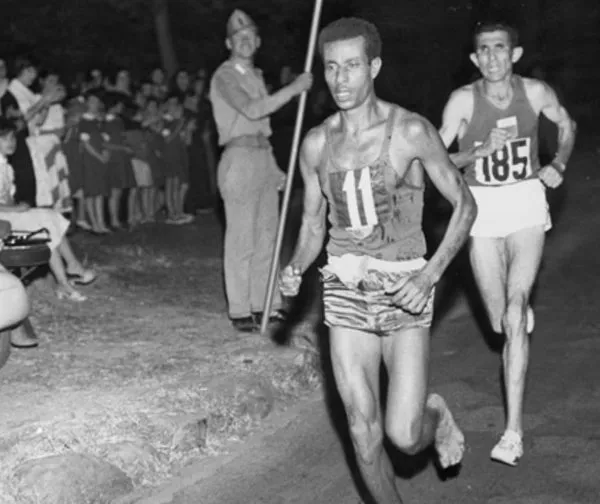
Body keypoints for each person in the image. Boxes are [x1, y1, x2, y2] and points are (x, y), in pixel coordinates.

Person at [280, 18, 476, 503]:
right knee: (361, 430)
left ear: (374, 67)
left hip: (405, 287)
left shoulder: (410, 130)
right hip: (345, 288)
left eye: (352, 66)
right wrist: (296, 267)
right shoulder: (317, 144)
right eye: (331, 67)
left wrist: (429, 276)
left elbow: (465, 205)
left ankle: (435, 416)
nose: (340, 78)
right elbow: (312, 226)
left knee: (404, 435)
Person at [438, 21, 576, 466]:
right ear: (474, 58)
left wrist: (559, 162)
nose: (492, 57)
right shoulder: (462, 100)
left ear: (514, 55)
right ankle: (514, 314)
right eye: (484, 50)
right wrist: (476, 153)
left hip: (524, 201)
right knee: (500, 322)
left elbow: (567, 124)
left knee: (514, 314)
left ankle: (512, 433)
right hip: (481, 207)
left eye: (500, 48)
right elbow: (435, 159)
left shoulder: (534, 92)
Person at [209, 9, 313, 332]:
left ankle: (266, 302)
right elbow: (252, 110)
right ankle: (240, 308)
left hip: (262, 157)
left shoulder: (255, 76)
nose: (245, 41)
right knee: (242, 238)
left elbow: (261, 130)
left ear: (258, 42)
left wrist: (274, 167)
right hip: (238, 159)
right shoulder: (225, 76)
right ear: (228, 43)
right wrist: (294, 89)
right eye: (238, 38)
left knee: (268, 236)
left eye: (250, 36)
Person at [0, 117, 96, 302]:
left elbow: (8, 198)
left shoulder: (7, 167)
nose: (11, 142)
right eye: (4, 139)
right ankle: (71, 270)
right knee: (46, 218)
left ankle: (65, 280)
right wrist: (15, 208)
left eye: (12, 138)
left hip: (9, 214)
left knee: (49, 218)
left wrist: (19, 207)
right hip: (3, 219)